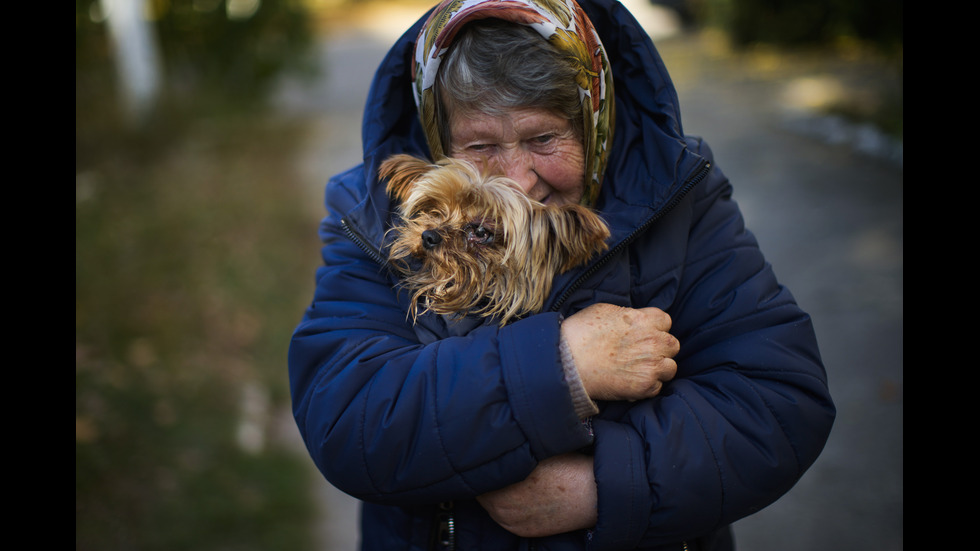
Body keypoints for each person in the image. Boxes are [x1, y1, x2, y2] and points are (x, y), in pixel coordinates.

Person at [288, 0, 836, 549]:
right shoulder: (372, 214)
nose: (518, 181)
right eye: (480, 146)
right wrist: (563, 365)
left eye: (543, 140)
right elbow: (349, 419)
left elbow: (778, 404)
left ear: (594, 123)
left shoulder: (681, 198)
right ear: (440, 137)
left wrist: (605, 486)